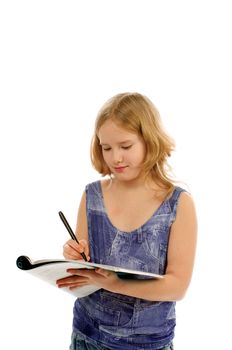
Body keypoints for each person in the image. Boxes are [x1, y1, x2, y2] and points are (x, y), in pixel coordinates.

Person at [56, 92, 197, 350]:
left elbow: (177, 286)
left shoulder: (178, 204)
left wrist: (113, 282)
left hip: (148, 344)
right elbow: (82, 272)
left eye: (126, 146)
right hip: (87, 338)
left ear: (149, 140)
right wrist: (73, 256)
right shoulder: (92, 196)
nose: (115, 158)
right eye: (106, 147)